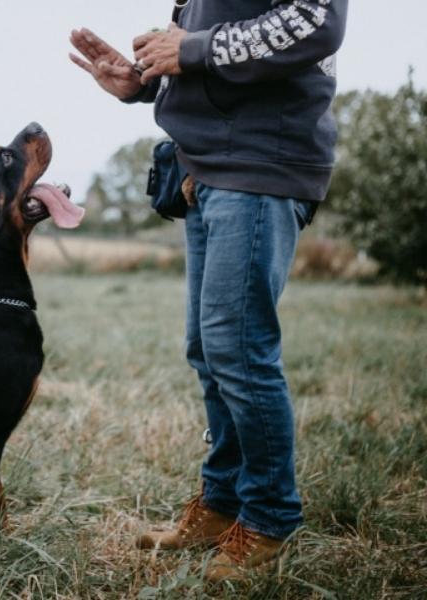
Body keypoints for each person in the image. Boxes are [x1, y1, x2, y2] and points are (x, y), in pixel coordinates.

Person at [69, 0, 348, 582]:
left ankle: (270, 517)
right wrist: (144, 83)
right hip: (208, 167)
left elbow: (315, 21)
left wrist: (189, 49)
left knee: (239, 352)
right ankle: (222, 504)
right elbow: (222, 56)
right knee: (209, 350)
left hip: (259, 166)